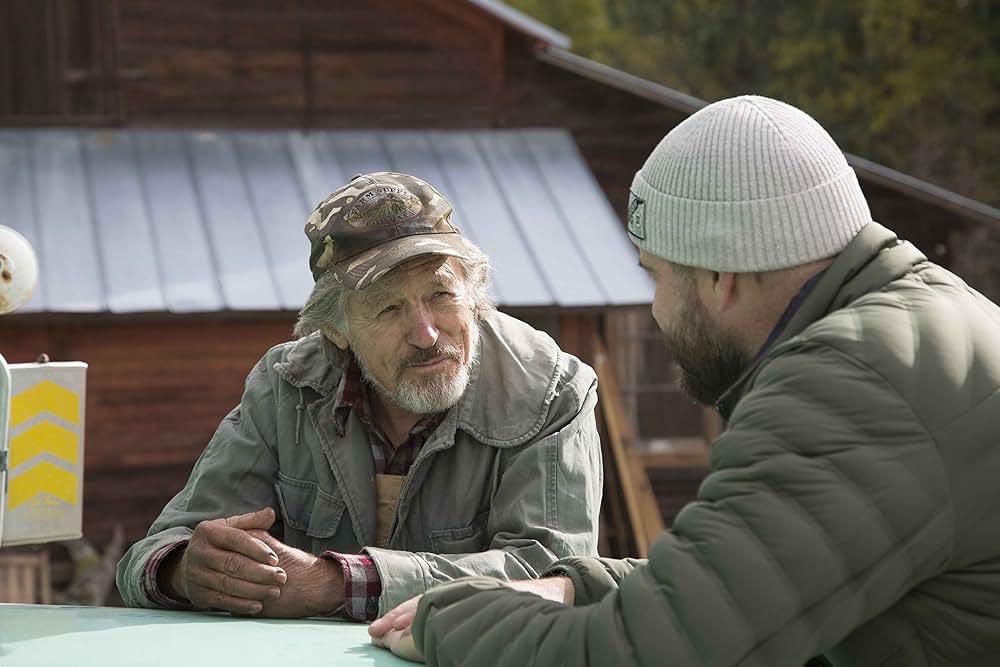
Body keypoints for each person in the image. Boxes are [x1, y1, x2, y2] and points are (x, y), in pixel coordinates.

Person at [370, 96, 1000, 666]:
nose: (656, 310)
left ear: (721, 276)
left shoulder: (853, 382)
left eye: (658, 276)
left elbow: (643, 653)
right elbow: (749, 583)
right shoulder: (932, 323)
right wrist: (578, 584)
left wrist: (451, 617)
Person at [116, 172, 603, 621]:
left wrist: (334, 584)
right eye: (388, 308)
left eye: (441, 295)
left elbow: (554, 576)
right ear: (335, 329)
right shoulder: (287, 386)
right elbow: (157, 550)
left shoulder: (551, 392)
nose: (427, 334)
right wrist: (184, 570)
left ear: (472, 293)